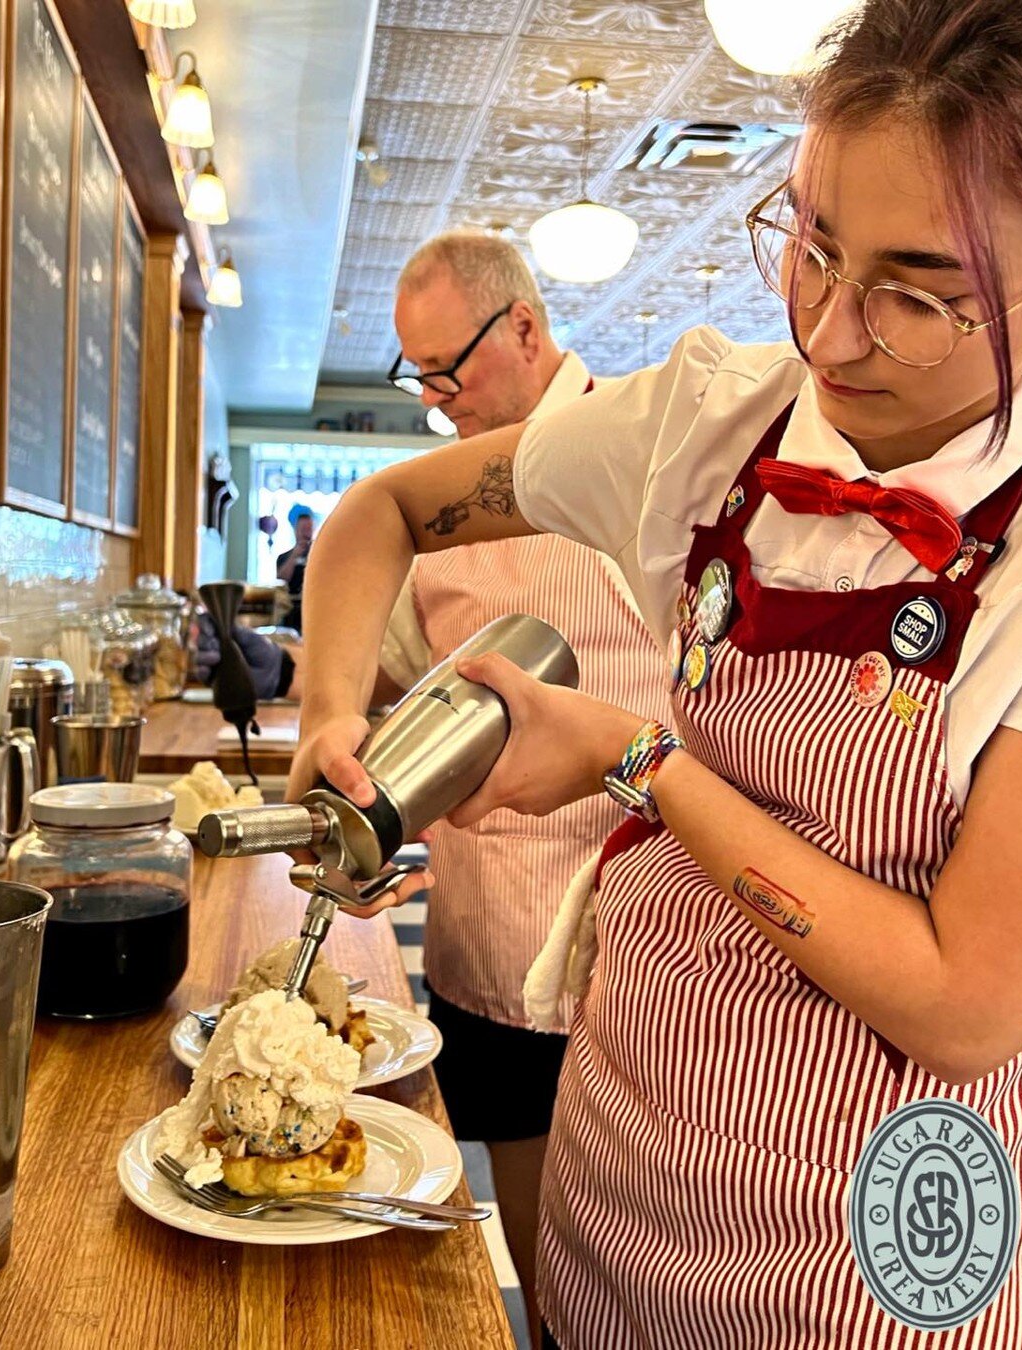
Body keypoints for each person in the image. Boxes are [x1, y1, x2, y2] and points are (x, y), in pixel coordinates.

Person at [289, 2, 1022, 1344]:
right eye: (811, 245)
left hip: (865, 1262)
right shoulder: (714, 420)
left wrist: (637, 758)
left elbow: (964, 1002)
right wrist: (334, 709)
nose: (833, 333)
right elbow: (379, 517)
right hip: (620, 1172)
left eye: (919, 293)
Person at [368, 231, 671, 1345]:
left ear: (527, 331)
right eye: (420, 379)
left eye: (448, 372)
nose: (437, 403)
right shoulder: (428, 511)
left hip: (640, 948)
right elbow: (393, 684)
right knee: (544, 1274)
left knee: (644, 1267)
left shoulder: (652, 458)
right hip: (488, 942)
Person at [276, 505, 316, 632]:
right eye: (303, 529)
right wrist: (295, 555)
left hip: (313, 609)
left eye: (309, 529)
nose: (306, 532)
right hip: (291, 613)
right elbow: (282, 578)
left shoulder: (318, 556)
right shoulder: (284, 557)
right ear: (295, 530)